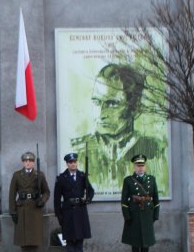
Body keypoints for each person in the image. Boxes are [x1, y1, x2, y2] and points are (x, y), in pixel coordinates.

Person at [70, 63, 167, 195]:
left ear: (135, 108)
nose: (101, 114)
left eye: (112, 103)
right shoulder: (79, 151)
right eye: (97, 102)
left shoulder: (156, 151)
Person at [8, 151, 50, 252]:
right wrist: (12, 211)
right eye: (26, 161)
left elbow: (46, 191)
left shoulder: (39, 175)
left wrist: (42, 200)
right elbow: (12, 195)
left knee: (35, 237)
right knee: (24, 238)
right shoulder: (17, 175)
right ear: (23, 162)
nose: (28, 163)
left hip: (35, 208)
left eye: (30, 161)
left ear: (33, 162)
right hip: (22, 208)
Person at [53, 153, 94, 252]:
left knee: (80, 239)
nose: (73, 164)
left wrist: (88, 199)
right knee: (70, 239)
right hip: (68, 212)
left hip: (80, 210)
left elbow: (90, 191)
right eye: (71, 162)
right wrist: (59, 215)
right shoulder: (61, 178)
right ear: (67, 164)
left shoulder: (82, 176)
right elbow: (56, 199)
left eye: (75, 162)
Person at [121, 154, 160, 252]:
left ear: (145, 166)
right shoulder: (128, 180)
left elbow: (156, 199)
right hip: (135, 213)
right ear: (134, 167)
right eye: (138, 165)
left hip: (147, 213)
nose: (140, 168)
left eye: (142, 165)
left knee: (146, 238)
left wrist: (155, 215)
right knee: (135, 238)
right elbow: (124, 200)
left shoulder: (151, 179)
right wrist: (127, 215)